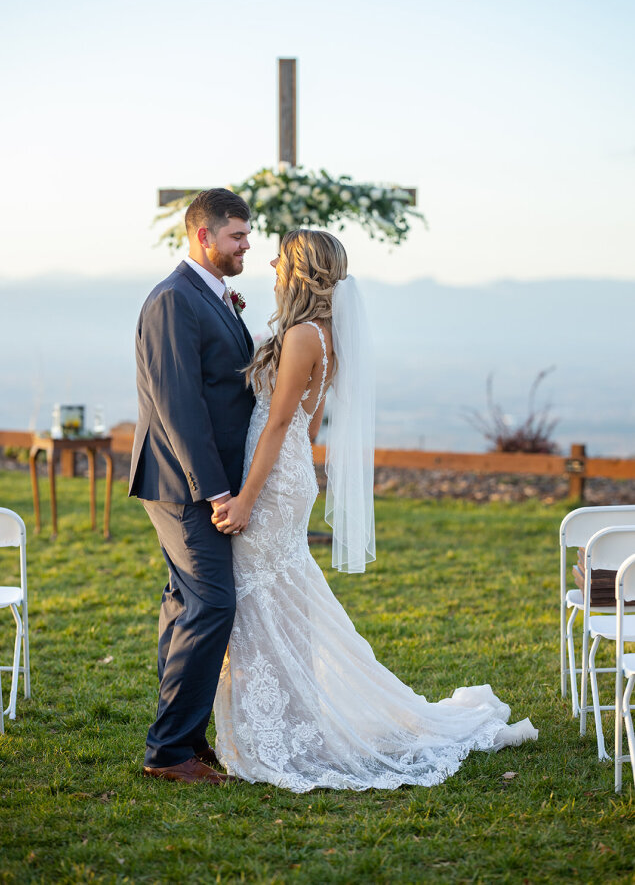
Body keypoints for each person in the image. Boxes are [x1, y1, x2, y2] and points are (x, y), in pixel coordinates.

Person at [211, 229, 537, 792]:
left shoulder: (302, 336)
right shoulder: (326, 334)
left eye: (281, 258)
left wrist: (246, 498)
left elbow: (281, 422)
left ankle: (279, 730)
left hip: (272, 482)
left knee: (262, 596)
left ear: (300, 271)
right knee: (281, 597)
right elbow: (311, 423)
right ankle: (288, 720)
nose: (271, 263)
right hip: (291, 474)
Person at [129, 188, 255, 785]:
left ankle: (185, 737)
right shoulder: (173, 300)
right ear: (204, 236)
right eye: (237, 235)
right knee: (212, 603)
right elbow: (178, 405)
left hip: (199, 480)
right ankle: (168, 751)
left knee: (185, 604)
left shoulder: (211, 296)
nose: (247, 245)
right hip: (184, 484)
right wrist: (217, 491)